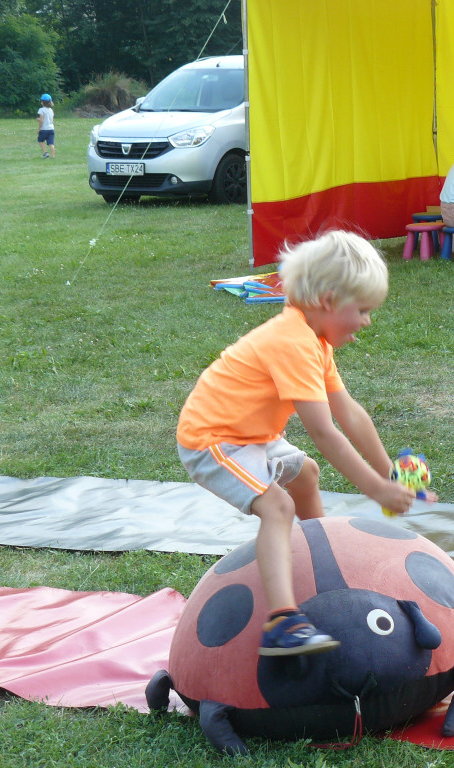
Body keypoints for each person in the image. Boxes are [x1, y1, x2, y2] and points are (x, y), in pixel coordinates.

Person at [176, 230, 419, 655]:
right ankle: (283, 622)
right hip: (214, 439)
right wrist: (377, 490)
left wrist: (391, 473)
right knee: (278, 506)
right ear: (327, 300)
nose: (367, 321)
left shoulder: (316, 343)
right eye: (361, 309)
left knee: (305, 475)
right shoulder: (292, 342)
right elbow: (325, 432)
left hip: (257, 435)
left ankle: (319, 562)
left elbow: (351, 413)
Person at [37, 94, 55, 158]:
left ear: (43, 102)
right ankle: (53, 156)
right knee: (51, 143)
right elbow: (52, 120)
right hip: (51, 129)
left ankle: (45, 152)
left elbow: (41, 120)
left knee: (40, 141)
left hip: (44, 129)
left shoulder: (41, 110)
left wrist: (39, 128)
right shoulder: (51, 110)